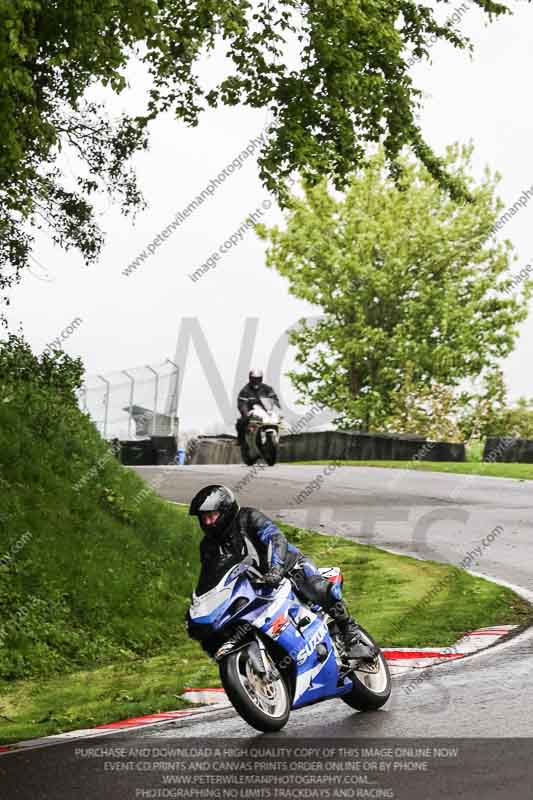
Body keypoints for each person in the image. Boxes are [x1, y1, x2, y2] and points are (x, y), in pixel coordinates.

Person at [186, 485, 376, 660]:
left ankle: (351, 635)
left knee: (317, 588)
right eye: (204, 518)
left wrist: (276, 568)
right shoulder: (208, 546)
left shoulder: (248, 517)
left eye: (212, 516)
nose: (208, 522)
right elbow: (210, 577)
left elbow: (275, 538)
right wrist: (199, 606)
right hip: (255, 588)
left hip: (289, 567)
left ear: (226, 512)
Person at [236, 369, 280, 446]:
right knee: (241, 423)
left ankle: (280, 439)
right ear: (250, 378)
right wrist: (245, 413)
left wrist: (275, 402)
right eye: (254, 379)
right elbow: (242, 403)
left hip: (265, 412)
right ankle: (241, 442)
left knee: (280, 421)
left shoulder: (267, 388)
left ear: (261, 379)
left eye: (258, 379)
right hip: (251, 412)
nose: (256, 381)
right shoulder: (245, 390)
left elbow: (273, 397)